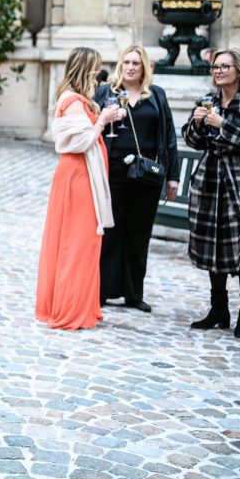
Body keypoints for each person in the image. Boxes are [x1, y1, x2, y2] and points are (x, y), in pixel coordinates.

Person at [183, 48, 240, 339]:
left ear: (239, 70)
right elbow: (192, 140)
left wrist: (223, 125)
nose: (219, 71)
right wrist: (198, 123)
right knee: (214, 244)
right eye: (215, 67)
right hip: (211, 180)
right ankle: (218, 309)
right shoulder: (208, 100)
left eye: (225, 66)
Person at [36, 47, 121, 331]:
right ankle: (70, 310)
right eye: (96, 68)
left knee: (85, 242)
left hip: (83, 174)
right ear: (87, 69)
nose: (99, 75)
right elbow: (81, 141)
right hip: (78, 178)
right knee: (77, 243)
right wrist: (103, 120)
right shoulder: (72, 100)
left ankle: (82, 305)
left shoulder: (80, 99)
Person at [93, 45, 179, 313]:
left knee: (139, 233)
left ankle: (134, 293)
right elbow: (91, 125)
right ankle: (102, 290)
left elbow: (169, 136)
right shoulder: (106, 92)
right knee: (110, 231)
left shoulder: (156, 95)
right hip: (112, 171)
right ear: (120, 65)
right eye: (126, 62)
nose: (130, 67)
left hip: (146, 175)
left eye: (136, 63)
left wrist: (173, 177)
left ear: (144, 68)